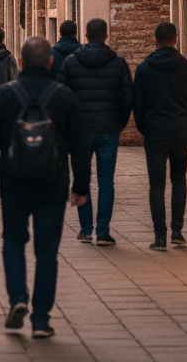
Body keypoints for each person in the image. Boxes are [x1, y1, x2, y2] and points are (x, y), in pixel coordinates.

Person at [0, 37, 88, 338]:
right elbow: (79, 145)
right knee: (47, 252)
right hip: (53, 182)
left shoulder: (4, 96)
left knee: (13, 241)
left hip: (14, 181)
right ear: (51, 62)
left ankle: (17, 299)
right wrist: (81, 186)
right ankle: (41, 320)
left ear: (21, 63)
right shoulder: (64, 97)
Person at [57, 18, 133, 246]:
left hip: (80, 131)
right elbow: (128, 98)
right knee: (106, 180)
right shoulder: (118, 64)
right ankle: (103, 231)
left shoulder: (71, 63)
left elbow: (61, 97)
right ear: (106, 36)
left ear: (86, 37)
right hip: (109, 128)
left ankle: (85, 228)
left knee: (82, 179)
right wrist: (118, 123)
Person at [132, 22, 187, 251]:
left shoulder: (144, 68)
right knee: (179, 178)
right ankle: (177, 231)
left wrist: (146, 128)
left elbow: (138, 105)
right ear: (175, 40)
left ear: (155, 41)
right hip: (181, 131)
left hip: (154, 132)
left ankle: (160, 236)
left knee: (156, 183)